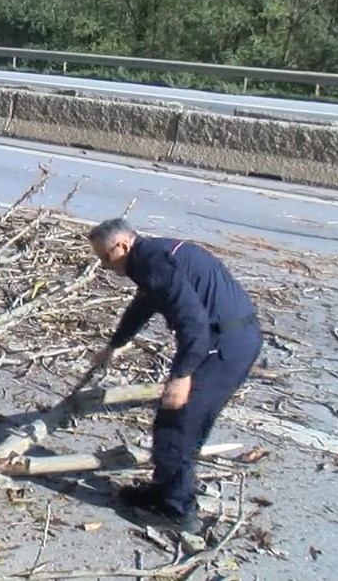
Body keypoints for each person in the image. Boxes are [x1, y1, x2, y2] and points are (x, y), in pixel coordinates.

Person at [87, 218, 261, 532]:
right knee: (184, 423)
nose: (104, 266)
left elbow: (193, 324)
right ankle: (166, 489)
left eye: (105, 257)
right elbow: (143, 305)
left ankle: (177, 510)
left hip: (223, 346)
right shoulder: (152, 256)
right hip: (233, 340)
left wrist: (181, 376)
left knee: (176, 422)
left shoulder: (153, 263)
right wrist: (115, 344)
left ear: (123, 245)